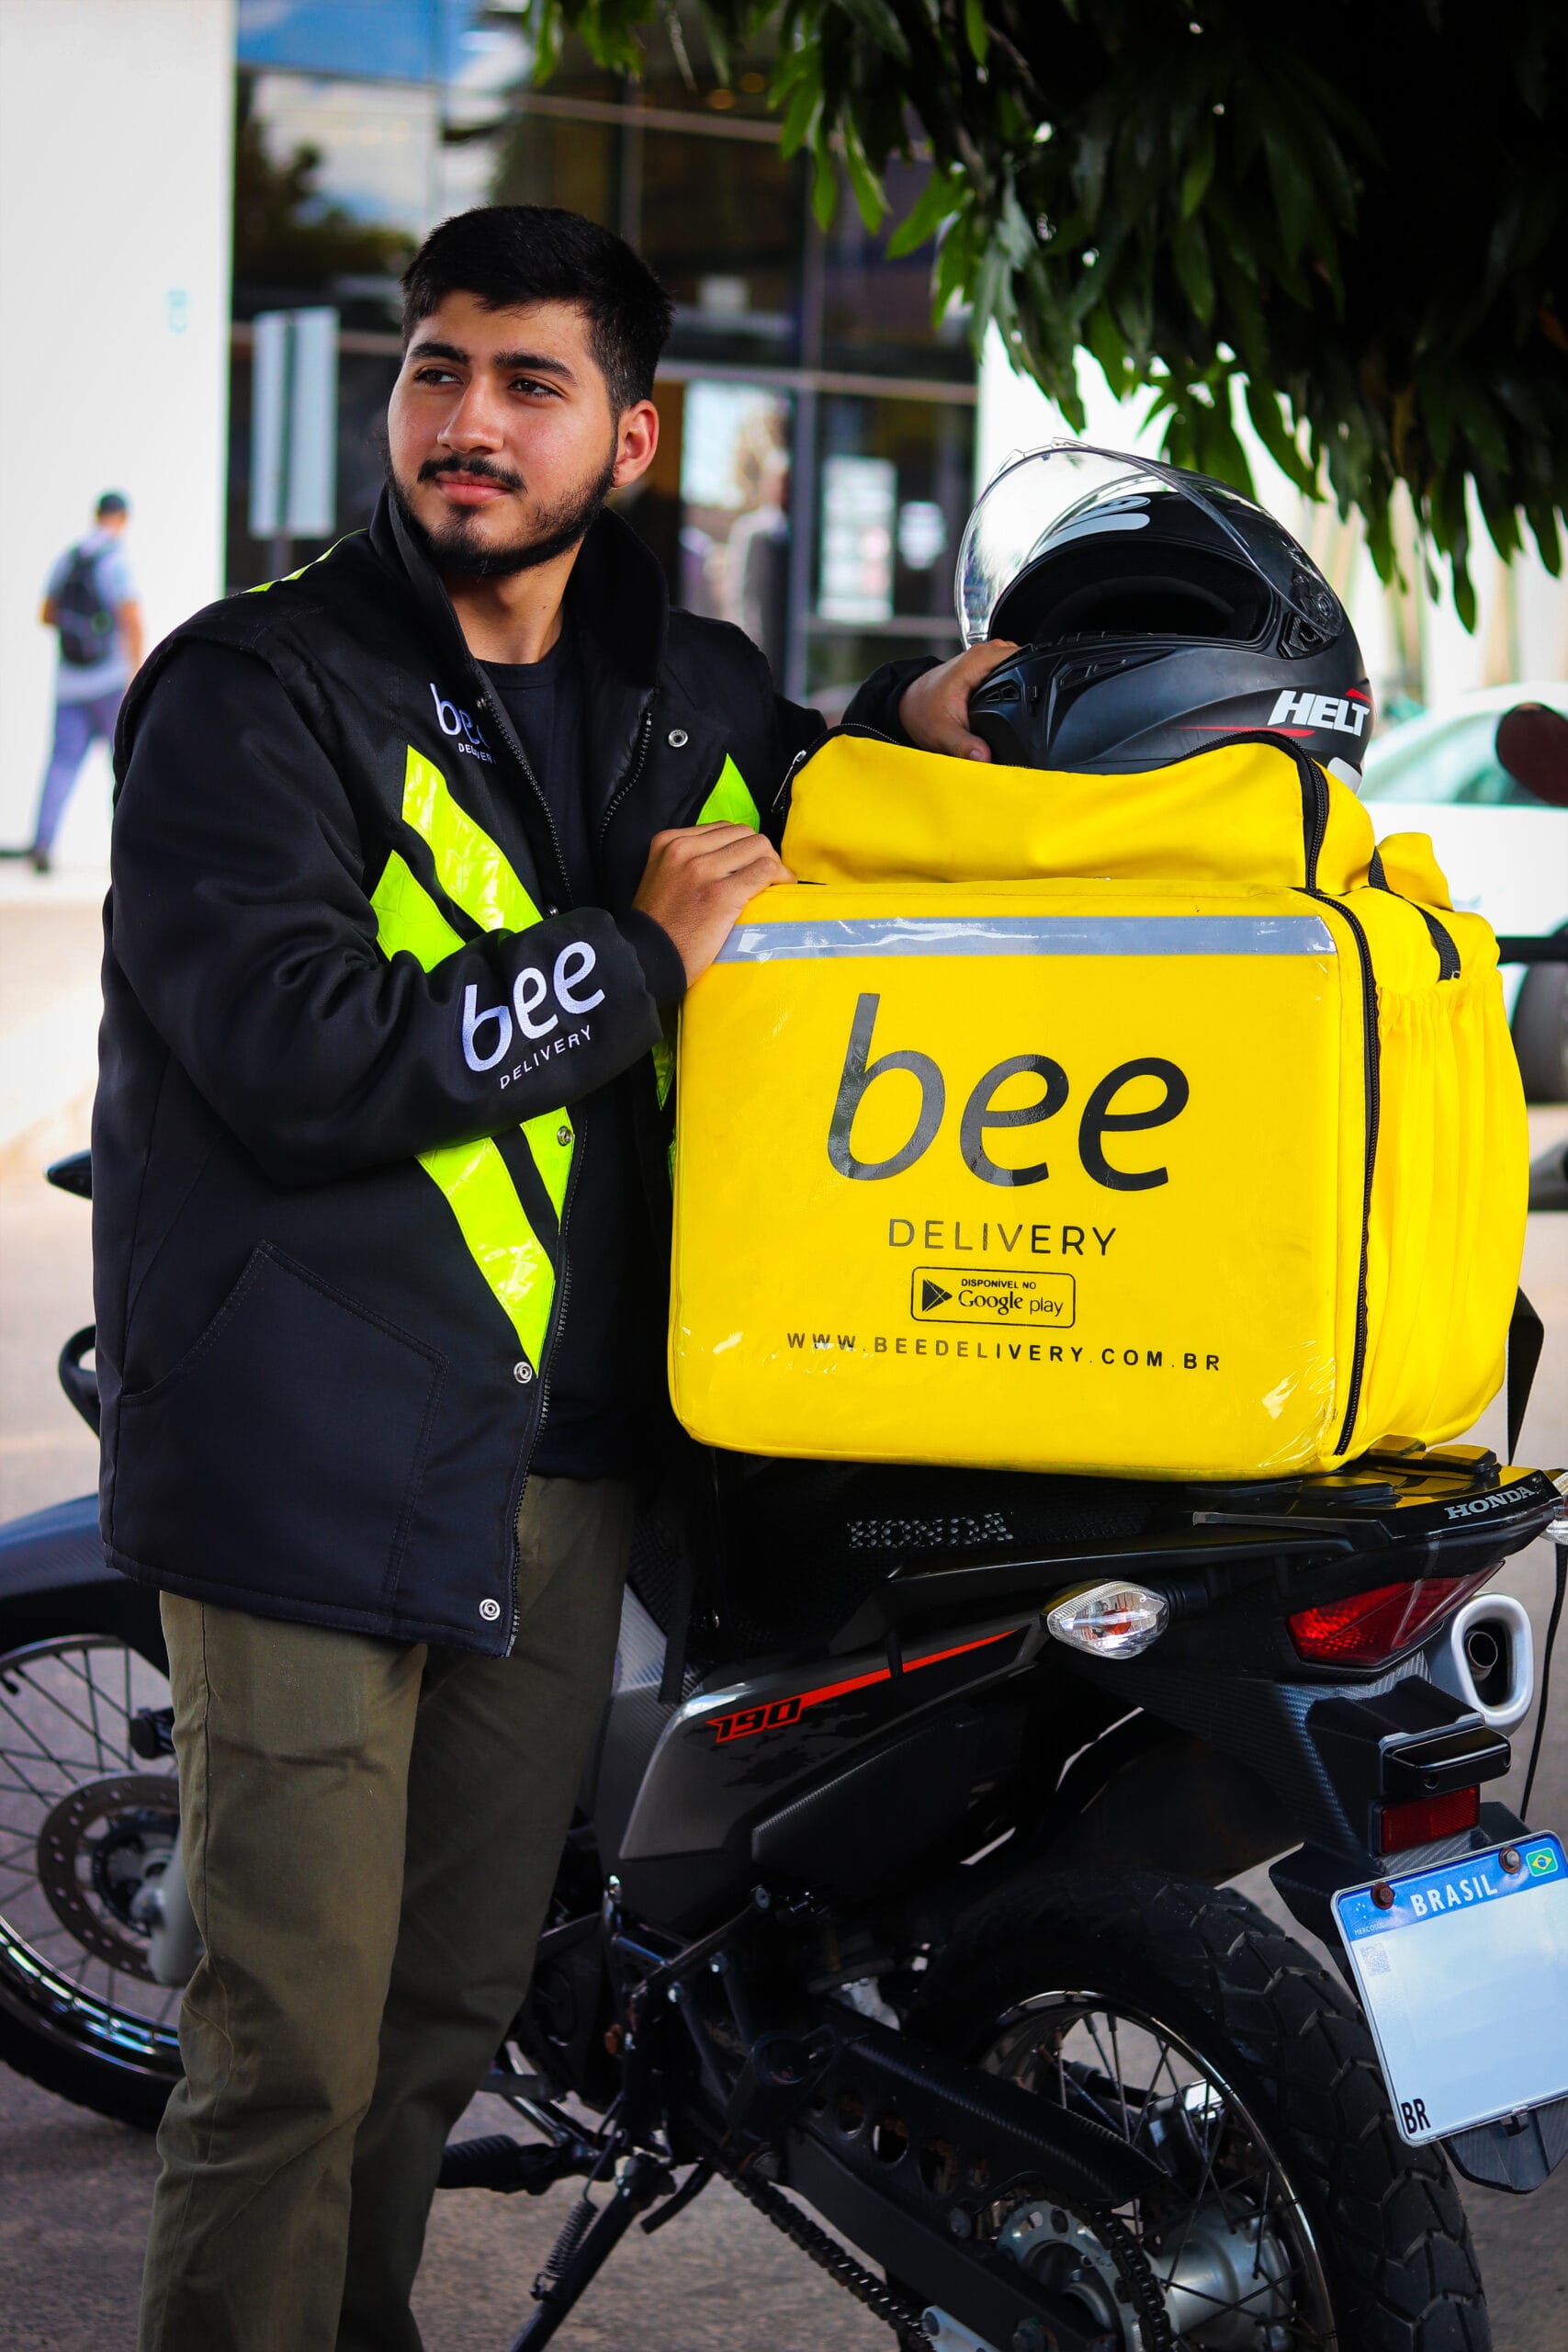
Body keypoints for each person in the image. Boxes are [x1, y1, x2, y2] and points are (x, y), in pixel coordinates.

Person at [96, 203, 1004, 2352]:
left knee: (439, 2011)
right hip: (307, 1451)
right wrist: (629, 960)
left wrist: (927, 704)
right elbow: (297, 1050)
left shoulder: (681, 687)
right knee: (286, 2046)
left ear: (631, 434)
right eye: (435, 368)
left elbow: (824, 782)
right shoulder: (254, 688)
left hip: (561, 1465)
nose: (466, 422)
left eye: (527, 382)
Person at [29, 491, 143, 871]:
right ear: (122, 519)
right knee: (123, 766)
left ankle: (42, 844)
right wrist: (134, 674)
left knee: (61, 764)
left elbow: (46, 614)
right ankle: (127, 851)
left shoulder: (69, 559)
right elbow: (132, 621)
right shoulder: (116, 561)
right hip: (109, 683)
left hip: (69, 683)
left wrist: (77, 630)